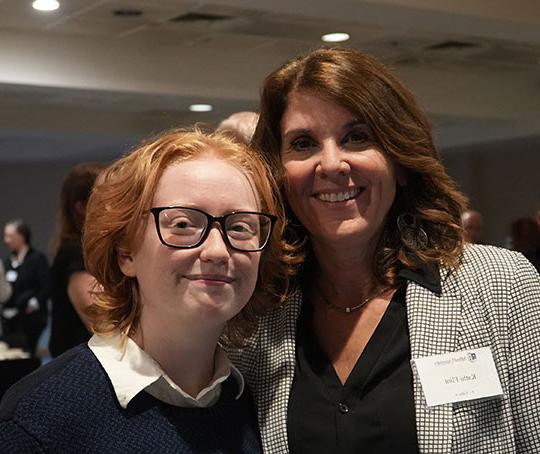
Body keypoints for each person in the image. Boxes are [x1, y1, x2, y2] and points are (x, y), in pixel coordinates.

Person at [230, 47, 540, 453]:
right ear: (277, 172)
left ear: (400, 159)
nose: (332, 163)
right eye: (303, 144)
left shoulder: (501, 285)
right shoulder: (257, 314)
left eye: (356, 137)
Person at [0, 128, 288, 452]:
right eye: (182, 224)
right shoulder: (41, 419)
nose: (218, 251)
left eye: (239, 227)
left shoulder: (247, 405)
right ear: (126, 253)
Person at [49, 162, 105, 358]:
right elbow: (101, 320)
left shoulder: (84, 250)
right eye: (106, 197)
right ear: (81, 207)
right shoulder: (74, 251)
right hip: (80, 368)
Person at [1, 220, 50, 355]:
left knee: (27, 355)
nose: (6, 240)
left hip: (31, 319)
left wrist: (34, 302)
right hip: (9, 319)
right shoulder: (7, 262)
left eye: (9, 236)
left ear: (21, 236)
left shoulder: (37, 259)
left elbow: (46, 286)